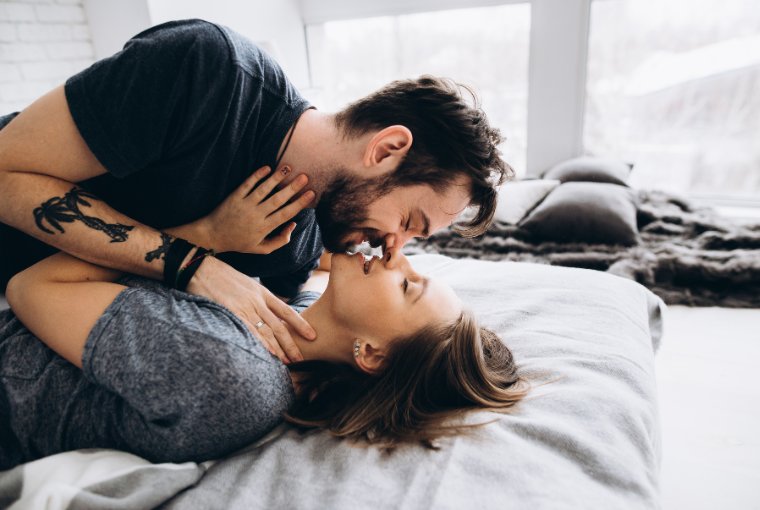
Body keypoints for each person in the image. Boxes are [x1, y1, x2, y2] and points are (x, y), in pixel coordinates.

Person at [0, 19, 511, 365]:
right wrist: (197, 252)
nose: (393, 247)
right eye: (409, 223)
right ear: (386, 149)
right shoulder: (207, 73)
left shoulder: (297, 246)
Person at [0, 233, 527, 471]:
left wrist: (198, 237)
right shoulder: (284, 314)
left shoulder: (232, 371)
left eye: (408, 287)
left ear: (371, 355)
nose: (399, 257)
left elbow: (30, 288)